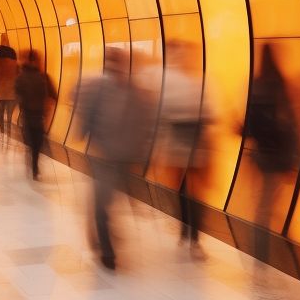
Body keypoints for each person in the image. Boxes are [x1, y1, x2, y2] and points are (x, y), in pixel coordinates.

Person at [77, 48, 155, 270]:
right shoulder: (135, 91)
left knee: (104, 202)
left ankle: (103, 240)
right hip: (110, 155)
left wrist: (83, 133)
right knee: (104, 202)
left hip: (111, 155)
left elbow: (144, 124)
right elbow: (145, 123)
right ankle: (107, 249)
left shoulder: (127, 91)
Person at [244, 43, 297, 263]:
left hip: (259, 152)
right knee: (269, 200)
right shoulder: (281, 86)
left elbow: (249, 122)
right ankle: (274, 246)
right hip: (277, 154)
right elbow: (291, 121)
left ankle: (261, 247)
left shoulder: (256, 86)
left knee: (262, 201)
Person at [159, 41, 212, 259]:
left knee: (192, 192)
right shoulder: (186, 83)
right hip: (181, 145)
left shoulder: (199, 82)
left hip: (190, 145)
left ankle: (192, 236)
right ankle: (186, 233)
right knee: (183, 191)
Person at [15, 49, 56, 179]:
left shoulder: (21, 77)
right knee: (37, 141)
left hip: (28, 113)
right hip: (39, 115)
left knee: (31, 140)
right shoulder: (43, 77)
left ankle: (33, 162)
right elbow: (53, 95)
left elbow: (18, 95)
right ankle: (34, 164)